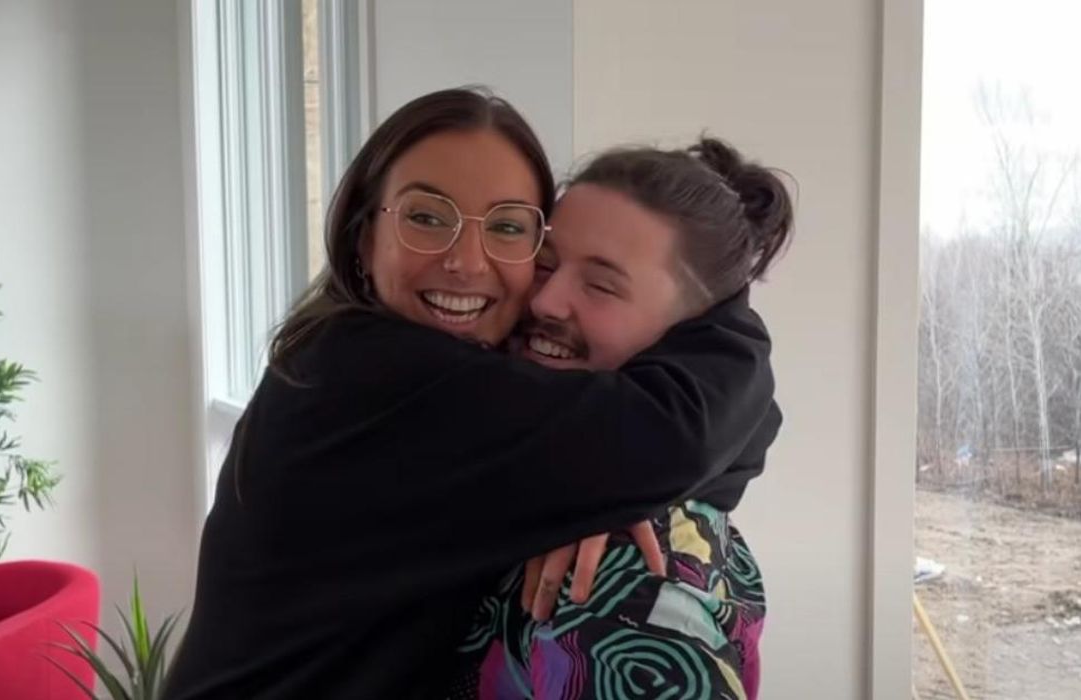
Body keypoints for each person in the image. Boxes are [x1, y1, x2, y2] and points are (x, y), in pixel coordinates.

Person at [163, 88, 779, 699]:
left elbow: (741, 431)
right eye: (426, 217)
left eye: (510, 229)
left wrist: (610, 490)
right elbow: (685, 437)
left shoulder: (493, 402)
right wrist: (622, 478)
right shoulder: (364, 375)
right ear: (362, 234)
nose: (465, 261)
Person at [455, 139, 793, 700]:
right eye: (545, 264)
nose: (547, 301)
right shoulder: (550, 473)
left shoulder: (628, 597)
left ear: (692, 332)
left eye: (601, 285)